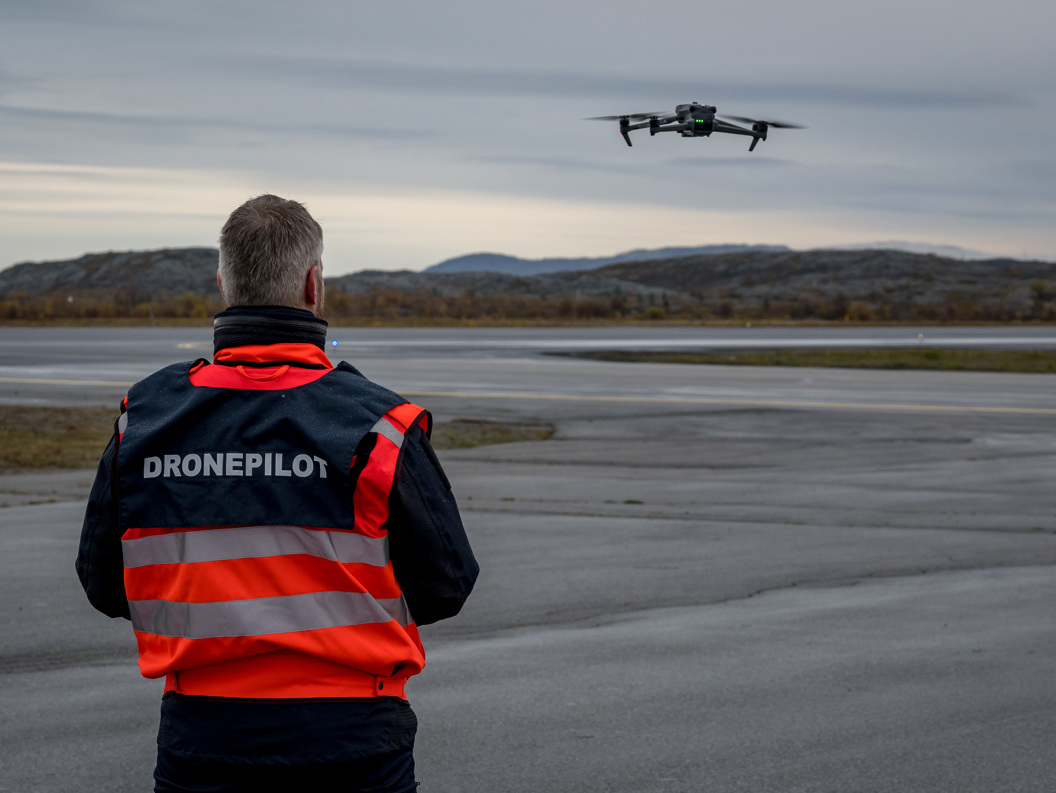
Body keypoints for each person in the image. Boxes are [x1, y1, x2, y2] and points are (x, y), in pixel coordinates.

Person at [76, 194, 478, 793]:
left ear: (223, 285)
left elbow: (104, 582)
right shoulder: (380, 424)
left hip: (203, 738)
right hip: (352, 740)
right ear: (314, 285)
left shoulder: (146, 418)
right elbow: (446, 586)